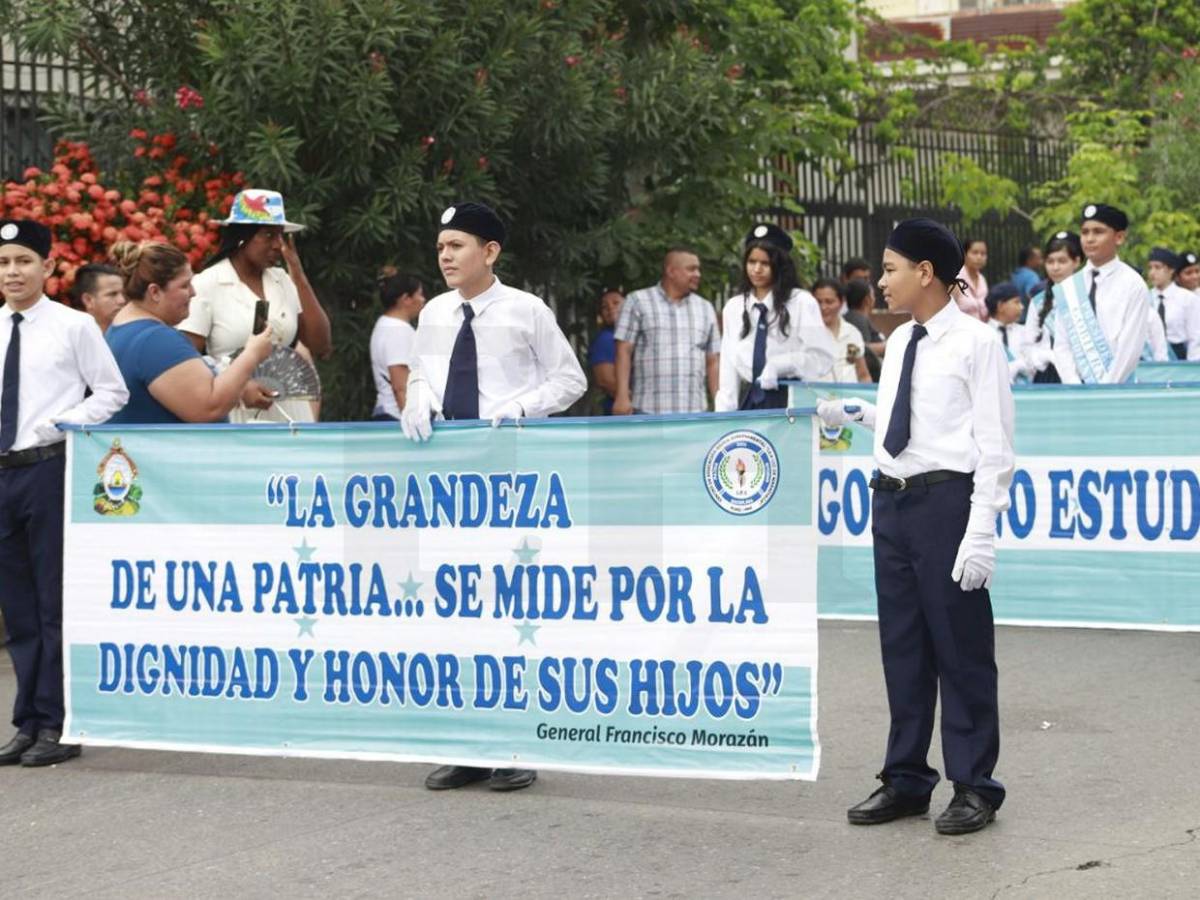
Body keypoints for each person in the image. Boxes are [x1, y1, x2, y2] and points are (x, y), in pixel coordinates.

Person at [817, 217, 1014, 836]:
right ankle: (906, 778)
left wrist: (980, 532)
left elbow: (993, 448)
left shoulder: (979, 344)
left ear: (926, 273)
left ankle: (974, 783)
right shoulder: (902, 340)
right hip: (891, 503)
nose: (881, 280)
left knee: (960, 649)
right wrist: (866, 413)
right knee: (902, 647)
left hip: (945, 506)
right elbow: (920, 420)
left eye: (891, 268)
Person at [400, 201, 584, 791]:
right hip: (451, 483)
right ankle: (468, 744)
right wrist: (417, 397)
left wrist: (520, 407)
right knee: (456, 607)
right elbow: (426, 372)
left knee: (510, 608)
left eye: (456, 245)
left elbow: (570, 378)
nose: (445, 256)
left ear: (490, 252)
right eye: (440, 247)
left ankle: (514, 743)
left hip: (511, 475)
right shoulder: (432, 313)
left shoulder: (526, 311)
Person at [0, 219, 128, 768]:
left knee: (53, 604)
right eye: (5, 262)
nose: (12, 272)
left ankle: (58, 721)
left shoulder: (74, 326)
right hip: (2, 474)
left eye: (23, 261)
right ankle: (27, 720)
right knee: (18, 607)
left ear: (48, 268)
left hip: (48, 469)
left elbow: (112, 391)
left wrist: (63, 422)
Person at [177, 189, 332, 423]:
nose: (279, 245)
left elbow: (320, 344)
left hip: (288, 411)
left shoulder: (282, 280)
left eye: (280, 236)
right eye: (268, 235)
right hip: (235, 408)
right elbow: (185, 360)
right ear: (242, 237)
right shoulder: (207, 283)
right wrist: (238, 387)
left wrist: (298, 276)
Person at [106, 241, 274, 424]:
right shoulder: (156, 340)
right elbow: (209, 408)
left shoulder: (122, 329)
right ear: (154, 292)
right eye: (185, 285)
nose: (193, 293)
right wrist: (252, 354)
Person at [714, 225, 835, 410]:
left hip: (789, 398)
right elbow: (728, 369)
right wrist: (723, 415)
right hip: (749, 400)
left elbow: (821, 358)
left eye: (765, 263)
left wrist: (781, 365)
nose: (757, 269)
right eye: (751, 261)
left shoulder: (800, 302)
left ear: (779, 265)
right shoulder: (734, 307)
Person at [1052, 204, 1153, 384]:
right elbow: (1061, 346)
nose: (1089, 239)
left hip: (1119, 389)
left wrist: (1105, 390)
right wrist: (1073, 384)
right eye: (1085, 232)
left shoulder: (1133, 284)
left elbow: (1130, 348)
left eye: (1098, 232)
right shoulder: (1069, 286)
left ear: (1119, 237)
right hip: (1076, 393)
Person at [612, 248, 719, 415]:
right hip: (648, 411)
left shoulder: (705, 308)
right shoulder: (638, 301)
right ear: (671, 271)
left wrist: (720, 403)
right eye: (691, 269)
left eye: (698, 269)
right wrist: (622, 396)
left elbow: (713, 361)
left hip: (695, 412)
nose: (698, 274)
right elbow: (623, 350)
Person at [1022, 231, 1083, 384]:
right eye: (1050, 261)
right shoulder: (1039, 301)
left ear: (1076, 261)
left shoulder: (1087, 296)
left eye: (1062, 261)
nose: (1055, 267)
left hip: (1082, 373)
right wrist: (1047, 356)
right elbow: (1028, 345)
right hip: (1048, 375)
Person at [369, 271, 425, 421]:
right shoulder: (397, 330)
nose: (423, 300)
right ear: (405, 299)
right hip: (397, 417)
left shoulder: (384, 324)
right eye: (419, 294)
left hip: (389, 413)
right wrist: (413, 421)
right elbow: (401, 386)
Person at [810, 278, 870, 384]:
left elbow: (863, 375)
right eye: (818, 302)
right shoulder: (806, 335)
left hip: (849, 398)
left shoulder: (852, 334)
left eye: (829, 302)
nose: (823, 307)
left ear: (841, 302)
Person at [1146, 248, 1200, 360]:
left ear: (1171, 270)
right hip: (1151, 360)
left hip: (1179, 360)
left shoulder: (1187, 299)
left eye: (1158, 267)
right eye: (1150, 267)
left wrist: (1192, 369)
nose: (1152, 272)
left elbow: (1195, 338)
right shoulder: (1144, 298)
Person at [985, 282, 1031, 384]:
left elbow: (1032, 364)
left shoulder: (1024, 332)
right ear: (1000, 306)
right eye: (1016, 302)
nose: (1022, 307)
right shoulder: (984, 334)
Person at [587, 289, 623, 415]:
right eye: (604, 306)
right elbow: (606, 381)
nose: (610, 308)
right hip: (623, 414)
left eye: (616, 303)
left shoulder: (627, 337)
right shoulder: (605, 339)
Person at [843, 277, 885, 380]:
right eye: (873, 295)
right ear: (867, 299)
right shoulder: (858, 320)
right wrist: (885, 346)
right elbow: (862, 350)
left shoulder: (855, 317)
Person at [71, 262, 126, 332]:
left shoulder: (131, 335)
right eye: (112, 294)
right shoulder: (71, 338)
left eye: (123, 294)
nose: (122, 300)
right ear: (88, 300)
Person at [952, 238, 988, 321]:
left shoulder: (982, 279)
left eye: (983, 253)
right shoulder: (957, 279)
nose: (979, 257)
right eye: (975, 253)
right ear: (965, 254)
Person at [1010, 245, 1043, 311]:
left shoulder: (1017, 273)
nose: (1042, 261)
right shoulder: (1031, 276)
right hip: (1027, 316)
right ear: (1029, 260)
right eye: (1038, 258)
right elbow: (1033, 297)